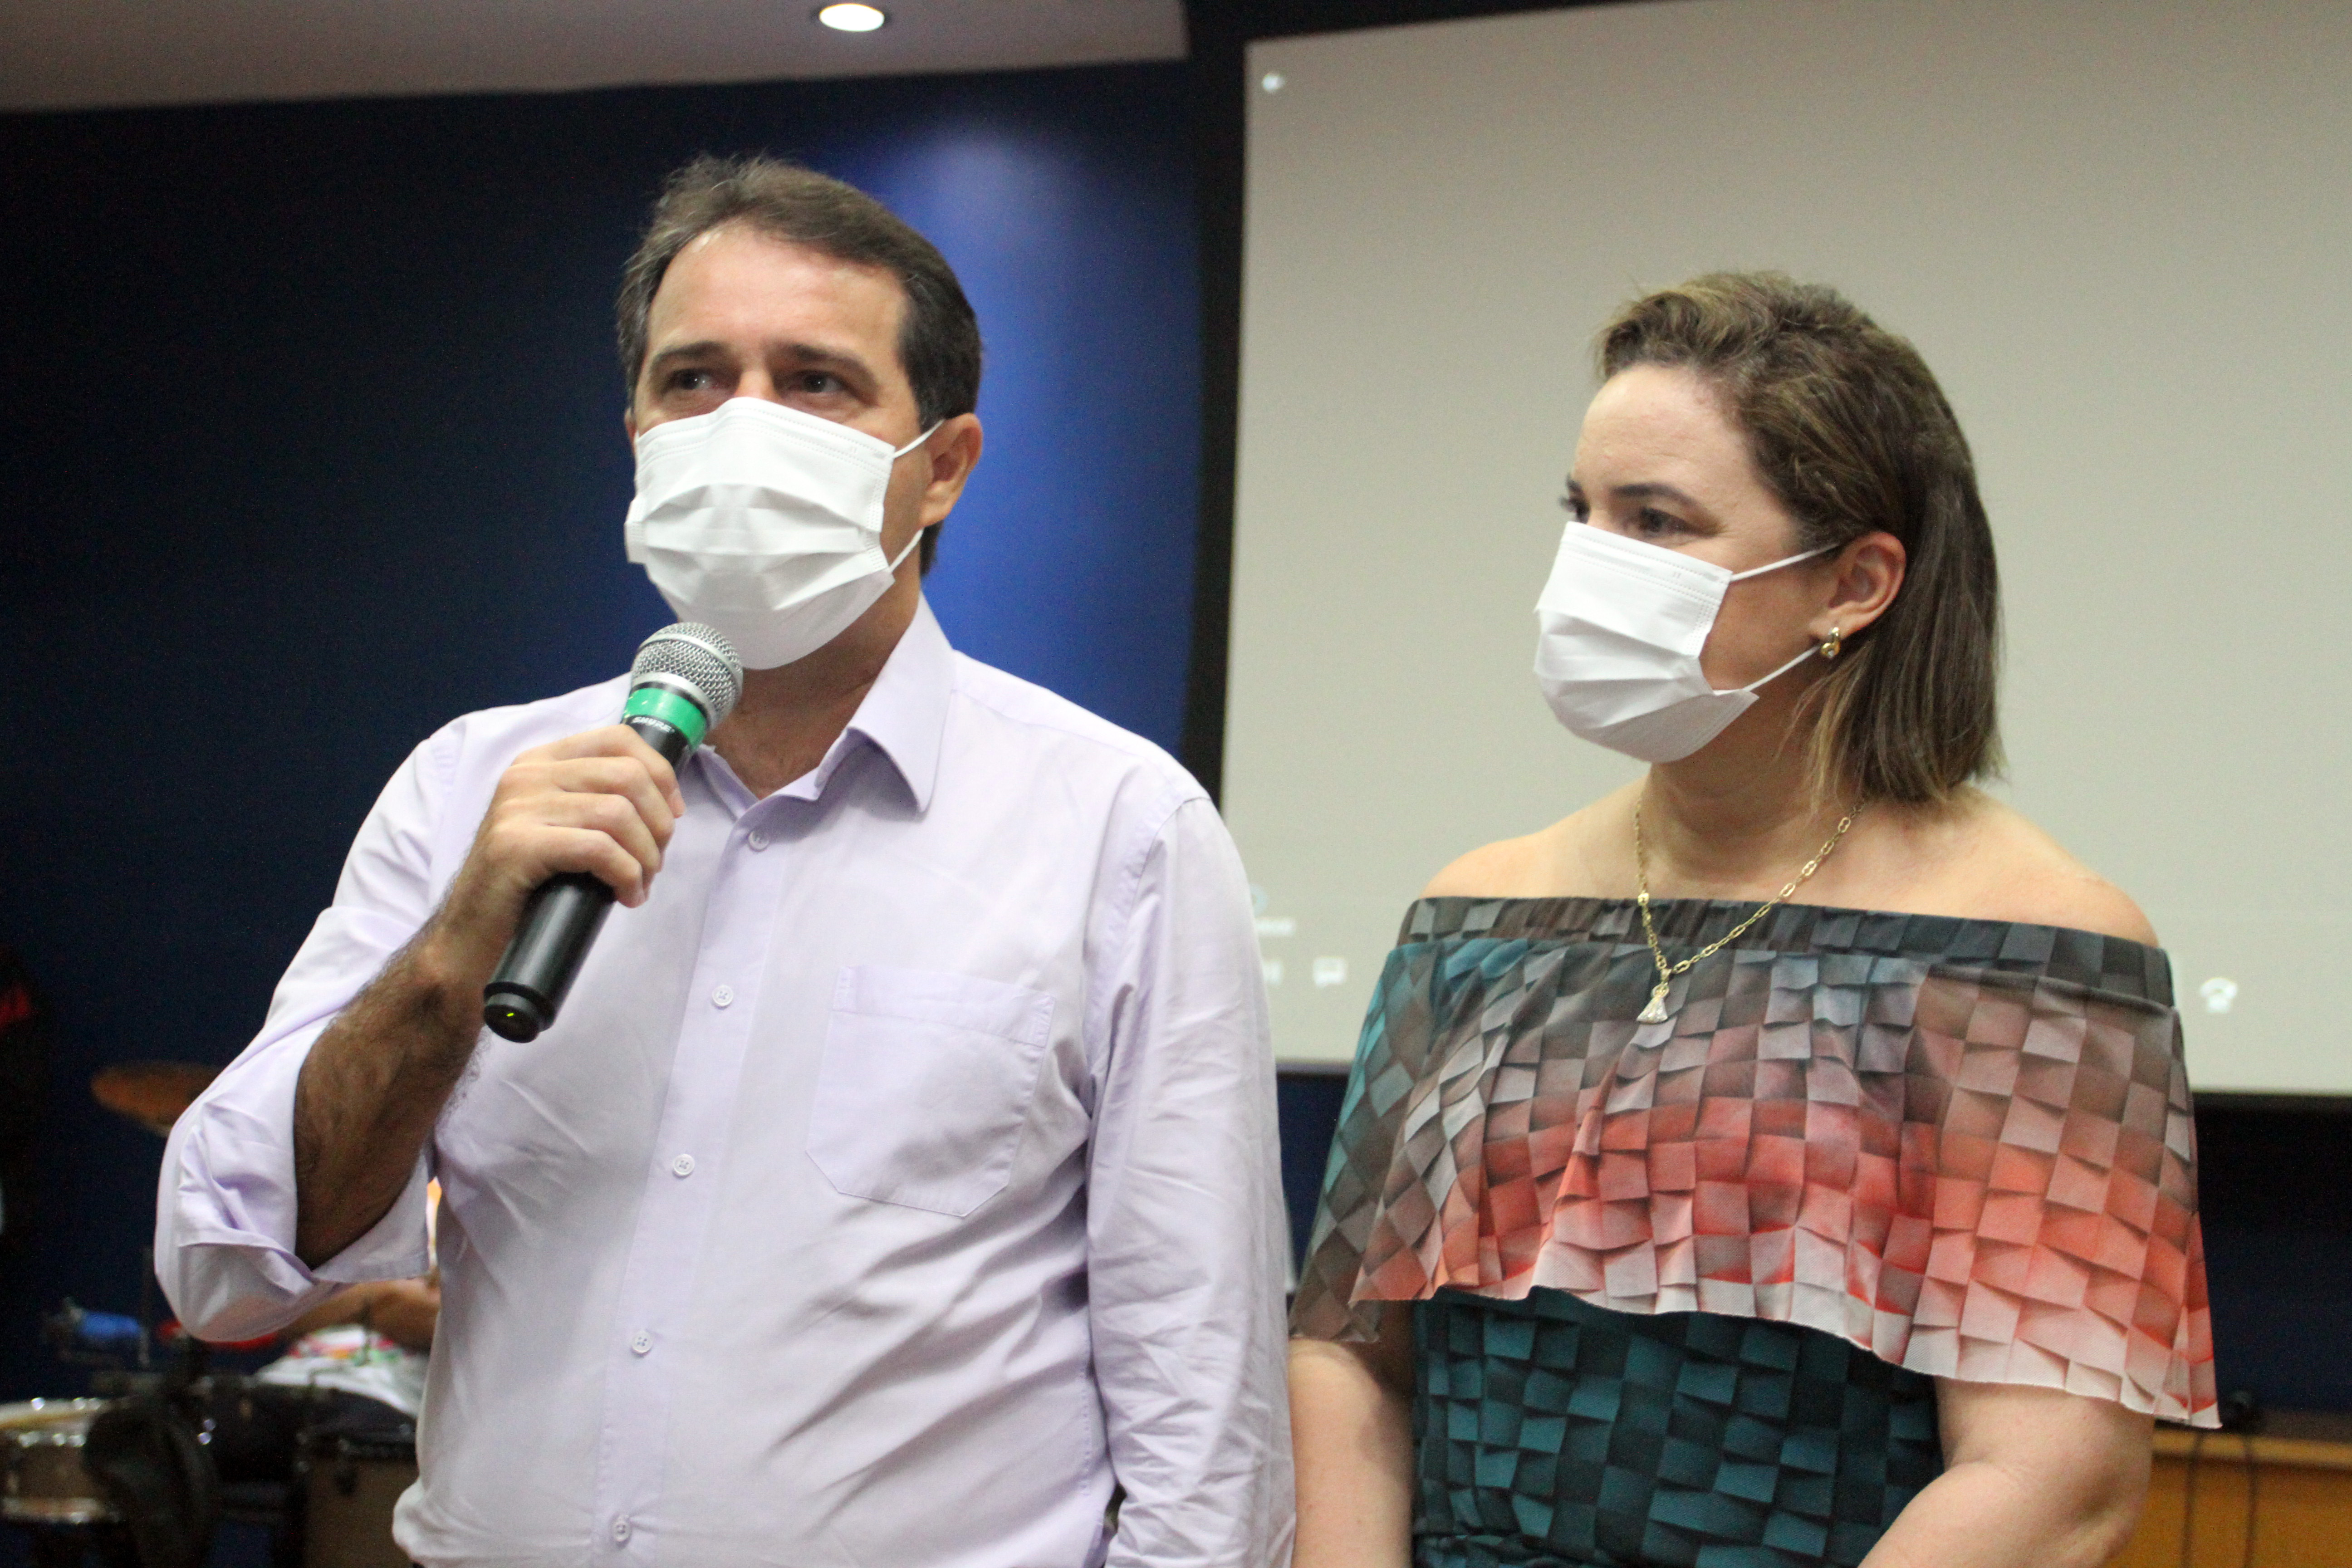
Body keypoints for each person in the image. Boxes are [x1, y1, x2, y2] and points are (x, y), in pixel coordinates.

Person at [156, 155, 1292, 1568]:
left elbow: (1206, 1417)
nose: (744, 425)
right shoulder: (470, 790)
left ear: (942, 467)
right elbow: (223, 1271)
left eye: (816, 382)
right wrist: (451, 957)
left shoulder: (1119, 829)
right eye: (694, 379)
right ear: (637, 434)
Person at [1288, 273, 2214, 1568]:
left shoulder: (2028, 949)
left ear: (1855, 584)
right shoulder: (1473, 917)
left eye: (1656, 522)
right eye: (1583, 514)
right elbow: (1350, 1355)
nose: (1591, 565)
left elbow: (2052, 1483)